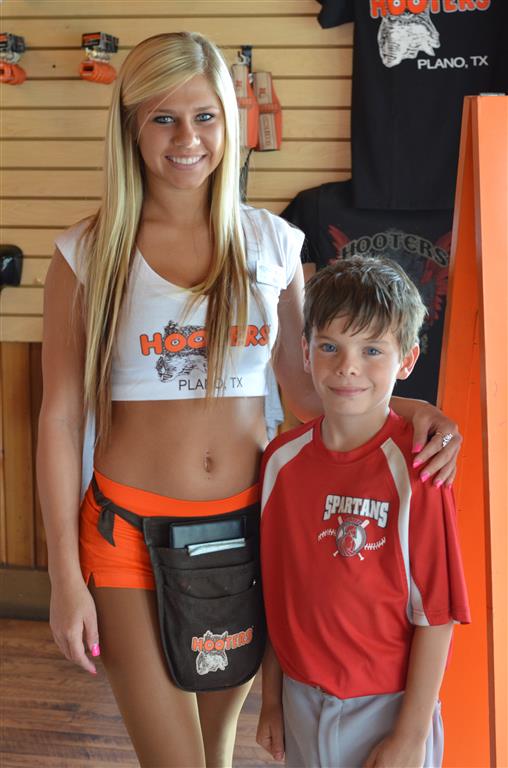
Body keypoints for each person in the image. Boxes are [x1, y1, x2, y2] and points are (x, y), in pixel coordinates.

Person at [38, 31, 461, 768]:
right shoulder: (88, 253)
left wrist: (411, 412)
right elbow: (60, 417)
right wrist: (64, 578)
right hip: (126, 537)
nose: (187, 139)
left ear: (230, 123)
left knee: (216, 753)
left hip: (247, 534)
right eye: (163, 118)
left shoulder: (274, 245)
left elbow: (309, 392)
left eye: (204, 116)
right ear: (131, 126)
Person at [257, 255, 471, 768]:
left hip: (390, 710)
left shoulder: (419, 468)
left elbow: (436, 615)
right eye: (329, 346)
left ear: (407, 360)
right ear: (305, 351)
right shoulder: (279, 462)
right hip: (300, 700)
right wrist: (271, 700)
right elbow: (275, 592)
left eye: (372, 350)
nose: (347, 366)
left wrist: (410, 737)